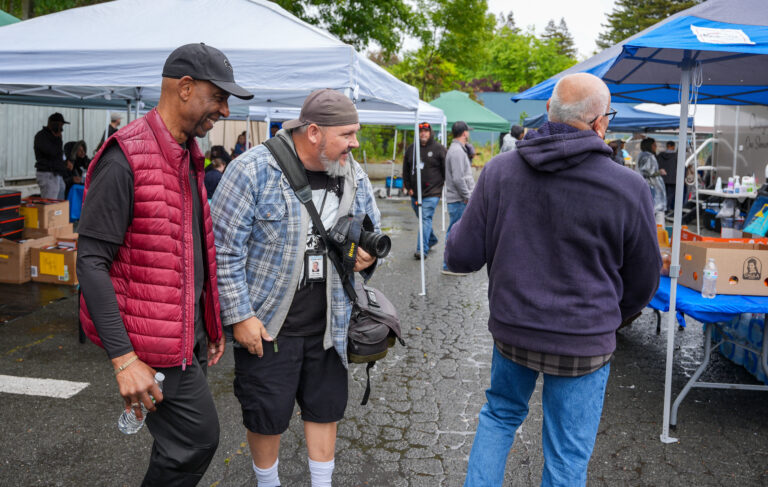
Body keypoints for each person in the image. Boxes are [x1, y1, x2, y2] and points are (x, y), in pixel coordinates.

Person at [445, 72, 660, 486]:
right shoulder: (628, 187)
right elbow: (644, 279)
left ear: (549, 111)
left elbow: (461, 255)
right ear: (601, 123)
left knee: (499, 417)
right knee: (566, 455)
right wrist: (610, 318)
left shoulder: (500, 172)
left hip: (514, 330)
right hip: (584, 338)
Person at [76, 43, 253, 486]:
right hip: (149, 343)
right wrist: (123, 360)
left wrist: (207, 323)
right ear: (186, 88)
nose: (225, 110)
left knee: (180, 442)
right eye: (219, 97)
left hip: (181, 335)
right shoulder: (125, 158)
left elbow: (188, 247)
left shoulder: (186, 154)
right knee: (197, 438)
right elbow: (91, 262)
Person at [212, 88, 382, 487]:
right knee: (266, 414)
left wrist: (370, 257)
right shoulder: (252, 170)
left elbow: (372, 229)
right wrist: (239, 316)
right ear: (313, 133)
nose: (355, 143)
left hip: (331, 326)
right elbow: (222, 250)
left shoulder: (352, 172)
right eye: (348, 134)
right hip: (268, 327)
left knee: (326, 409)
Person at [402, 121, 446, 259]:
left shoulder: (439, 149)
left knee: (425, 218)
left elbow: (446, 170)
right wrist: (408, 187)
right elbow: (406, 169)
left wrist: (443, 188)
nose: (423, 133)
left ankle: (421, 250)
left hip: (432, 193)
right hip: (415, 193)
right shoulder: (411, 149)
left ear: (430, 132)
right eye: (421, 131)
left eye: (426, 131)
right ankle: (431, 239)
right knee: (422, 219)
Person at [442, 121, 474, 276]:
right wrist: (467, 196)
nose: (469, 133)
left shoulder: (458, 150)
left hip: (459, 199)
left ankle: (453, 264)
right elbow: (458, 178)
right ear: (464, 133)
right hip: (458, 199)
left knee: (457, 232)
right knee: (454, 232)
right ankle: (448, 265)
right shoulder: (457, 152)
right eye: (468, 131)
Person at [33, 112, 69, 199]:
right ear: (54, 124)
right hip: (47, 173)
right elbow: (51, 152)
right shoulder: (41, 136)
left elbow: (58, 156)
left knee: (61, 193)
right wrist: (58, 139)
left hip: (56, 173)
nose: (61, 129)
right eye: (60, 126)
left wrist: (65, 164)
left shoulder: (55, 137)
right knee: (50, 201)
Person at [638, 137, 667, 224]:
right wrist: (659, 172)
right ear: (649, 146)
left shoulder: (641, 155)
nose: (656, 147)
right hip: (653, 189)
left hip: (646, 187)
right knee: (658, 215)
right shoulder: (649, 156)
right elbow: (648, 171)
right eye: (654, 145)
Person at [656, 140, 678, 211]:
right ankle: (667, 209)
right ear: (673, 146)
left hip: (661, 178)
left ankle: (661, 208)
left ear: (667, 146)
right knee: (670, 195)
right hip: (672, 179)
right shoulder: (676, 156)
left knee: (662, 194)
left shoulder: (660, 155)